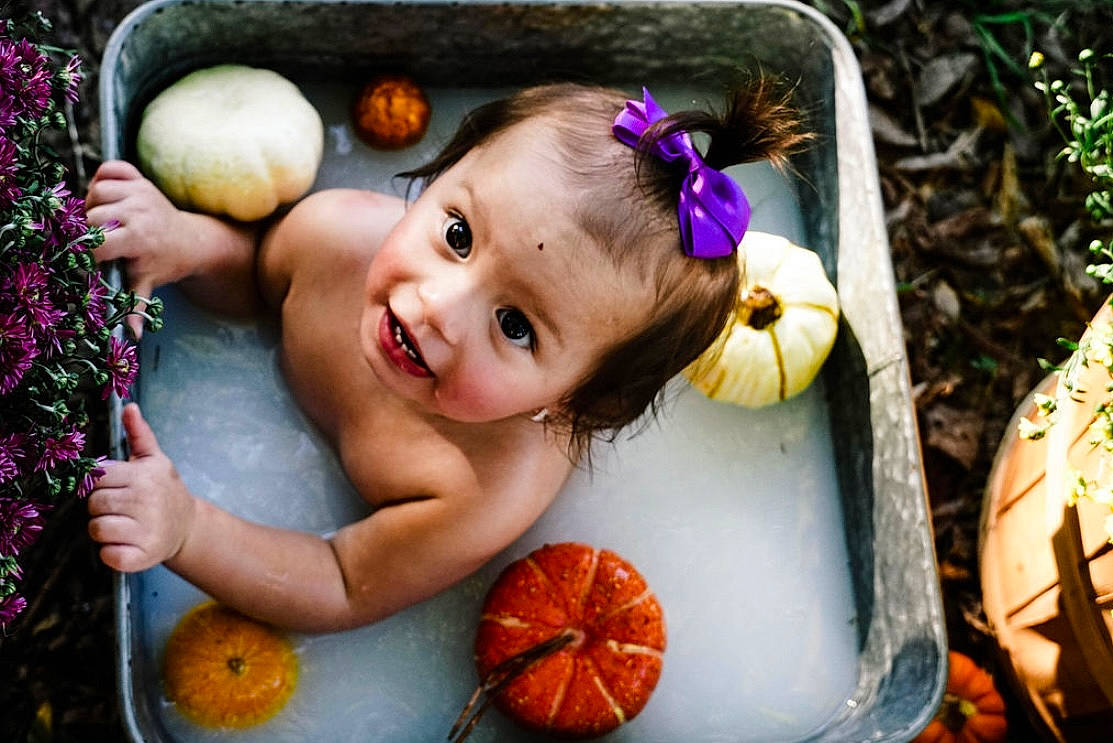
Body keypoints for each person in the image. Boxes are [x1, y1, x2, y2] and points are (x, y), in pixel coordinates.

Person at [84, 81, 809, 632]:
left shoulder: (481, 489)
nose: (438, 305)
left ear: (580, 399)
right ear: (438, 175)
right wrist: (189, 244)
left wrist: (188, 529)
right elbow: (258, 281)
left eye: (516, 325)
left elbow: (340, 580)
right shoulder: (338, 236)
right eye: (458, 234)